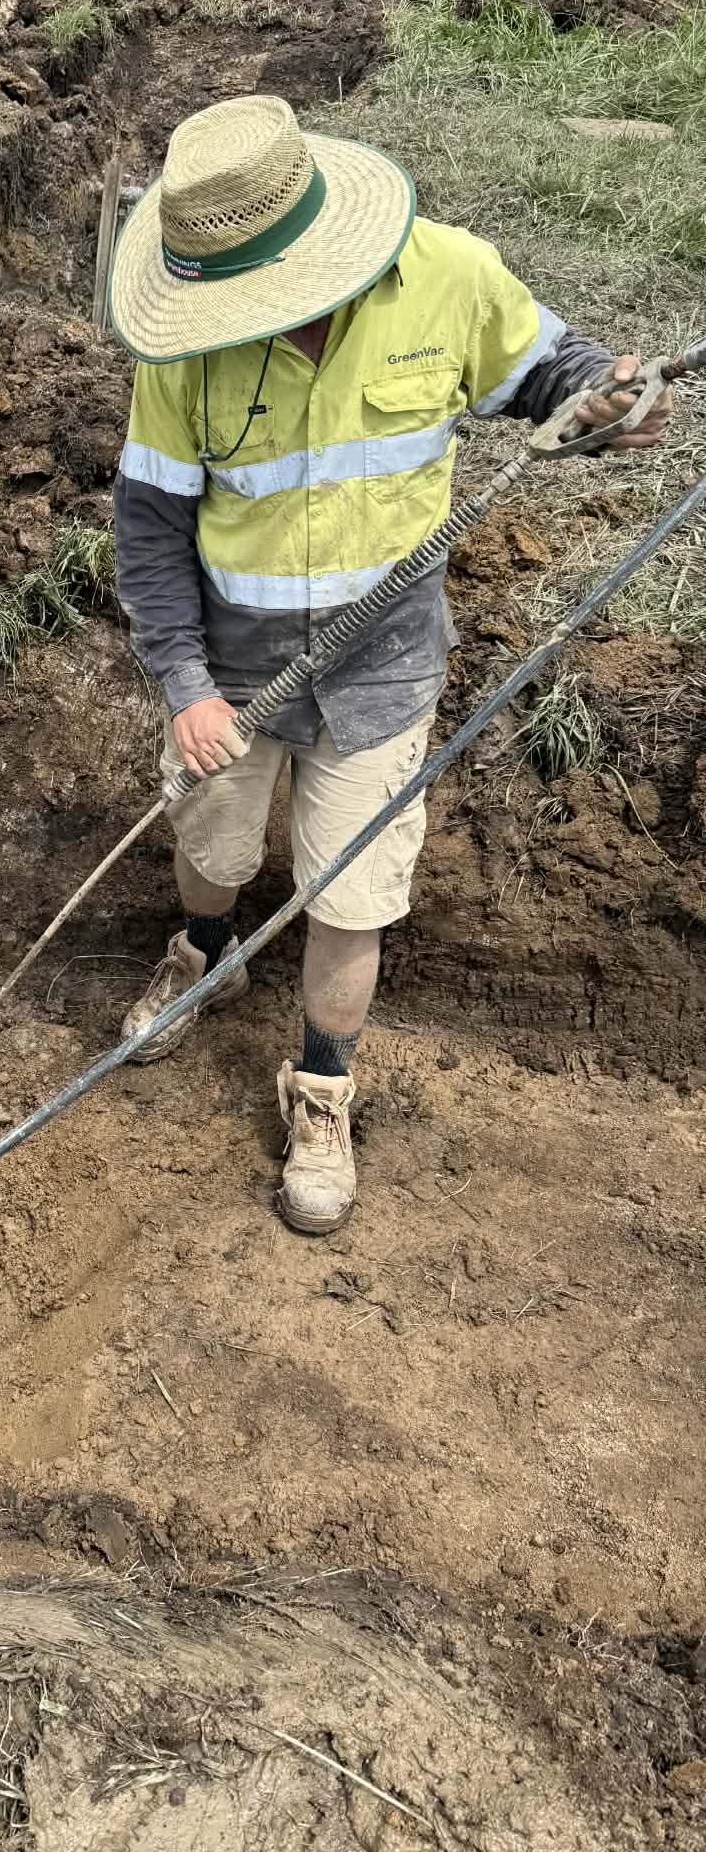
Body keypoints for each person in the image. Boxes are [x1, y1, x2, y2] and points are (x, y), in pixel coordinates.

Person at [107, 95, 672, 1236]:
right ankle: (203, 951)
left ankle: (322, 1089)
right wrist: (185, 685)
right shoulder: (188, 349)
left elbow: (553, 369)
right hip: (235, 671)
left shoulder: (451, 277)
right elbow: (150, 526)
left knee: (349, 896)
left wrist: (602, 402)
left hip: (381, 675)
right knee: (211, 845)